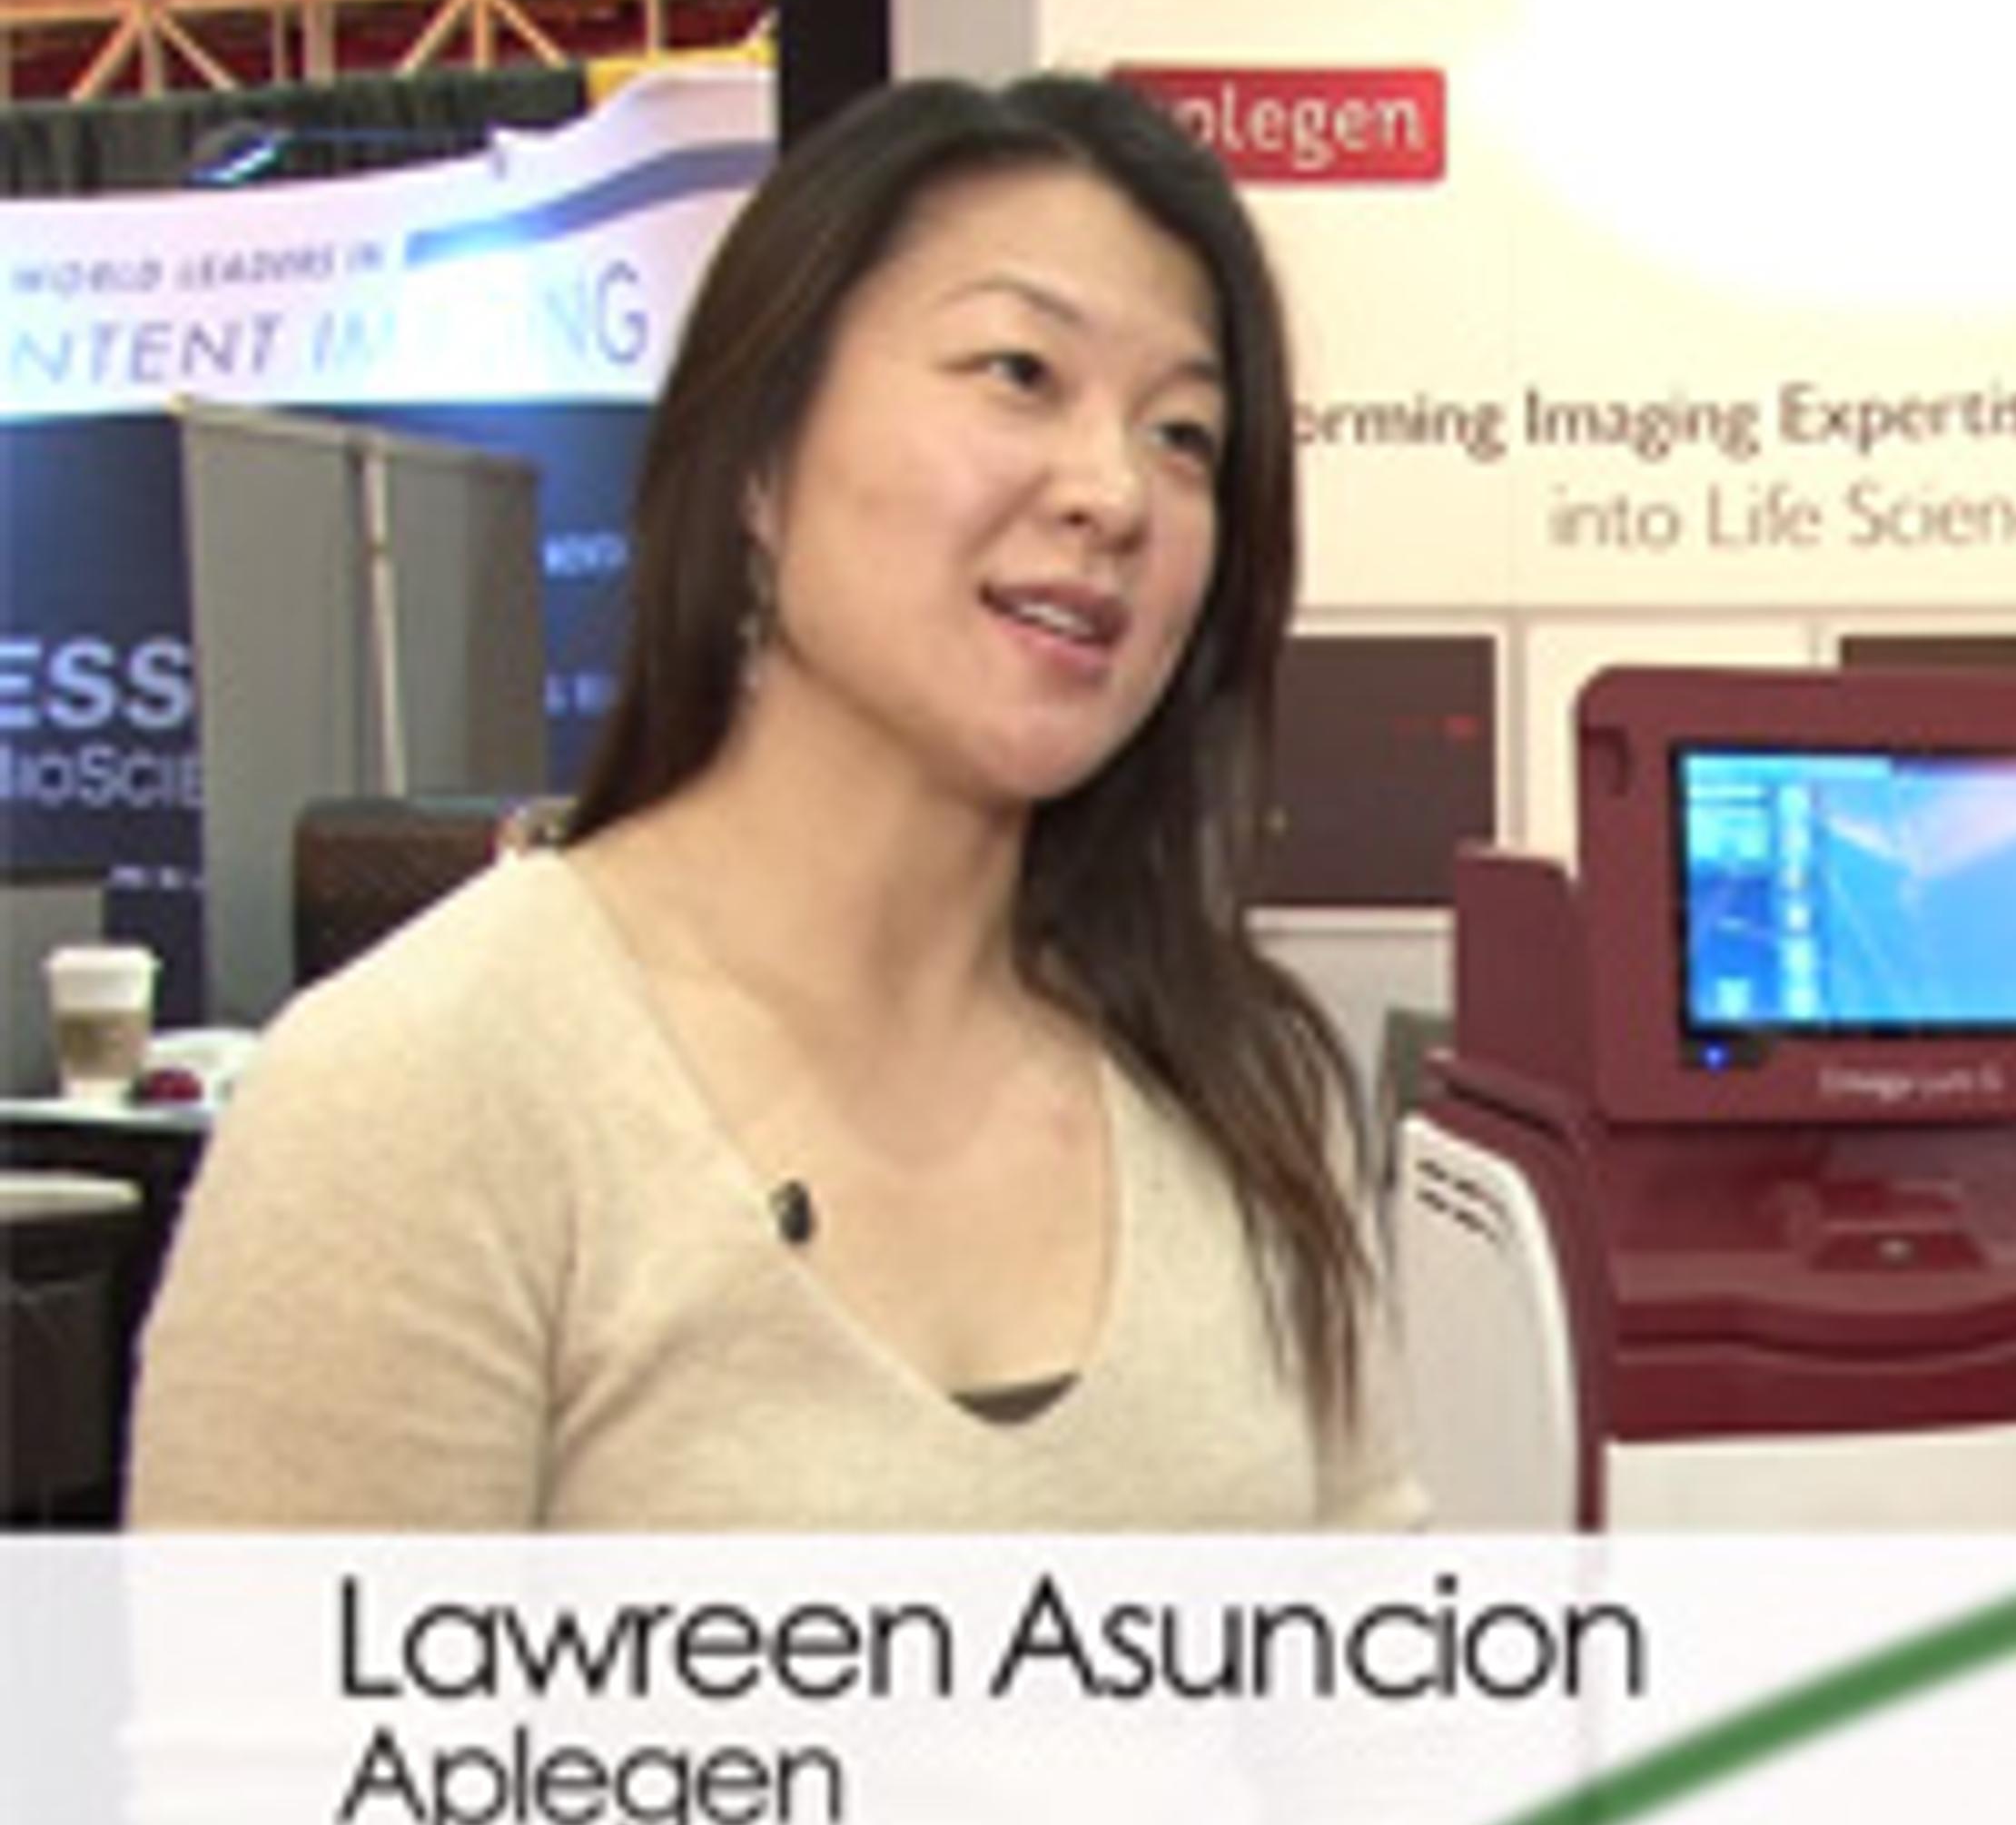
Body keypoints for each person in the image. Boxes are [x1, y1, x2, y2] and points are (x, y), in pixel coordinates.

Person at [131, 76, 1421, 1528]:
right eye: (1019, 371)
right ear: (758, 454)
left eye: (1184, 436)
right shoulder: (424, 1089)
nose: (1114, 491)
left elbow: (1378, 1647)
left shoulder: (1244, 1084)